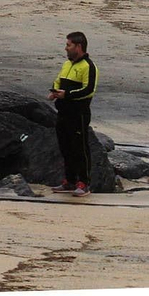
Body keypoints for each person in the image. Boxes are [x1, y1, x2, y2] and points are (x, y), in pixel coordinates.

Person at [48, 31, 98, 196]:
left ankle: (84, 183)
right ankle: (69, 181)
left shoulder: (88, 66)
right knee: (65, 148)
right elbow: (58, 80)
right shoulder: (67, 64)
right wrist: (54, 92)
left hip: (79, 114)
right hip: (62, 112)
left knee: (80, 149)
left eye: (69, 45)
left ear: (78, 46)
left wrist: (67, 95)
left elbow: (88, 90)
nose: (66, 48)